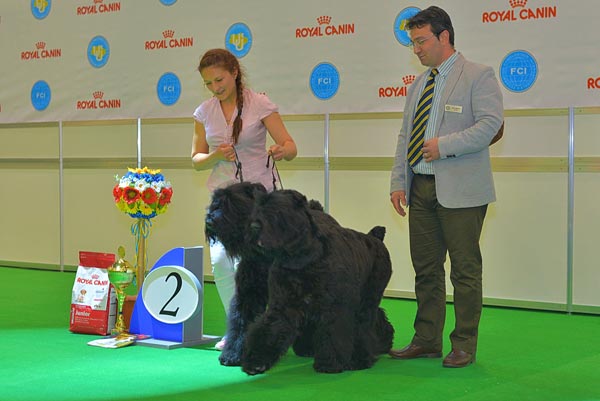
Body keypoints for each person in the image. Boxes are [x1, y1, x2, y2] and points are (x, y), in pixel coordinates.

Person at [389, 6, 503, 368]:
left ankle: (464, 344)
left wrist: (445, 146)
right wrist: (398, 181)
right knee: (426, 269)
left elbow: (490, 125)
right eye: (412, 43)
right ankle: (426, 340)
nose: (416, 49)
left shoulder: (478, 75)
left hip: (462, 190)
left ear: (444, 37)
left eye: (421, 41)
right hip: (420, 186)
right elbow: (405, 135)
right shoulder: (418, 84)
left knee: (464, 271)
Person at [191, 48, 297, 350]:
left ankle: (264, 327)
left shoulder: (260, 104)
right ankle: (237, 328)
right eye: (208, 83)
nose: (215, 88)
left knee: (257, 267)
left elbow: (290, 146)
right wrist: (214, 155)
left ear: (234, 73)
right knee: (221, 261)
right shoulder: (203, 112)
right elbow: (196, 159)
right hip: (224, 202)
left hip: (259, 200)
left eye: (219, 80)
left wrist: (282, 150)